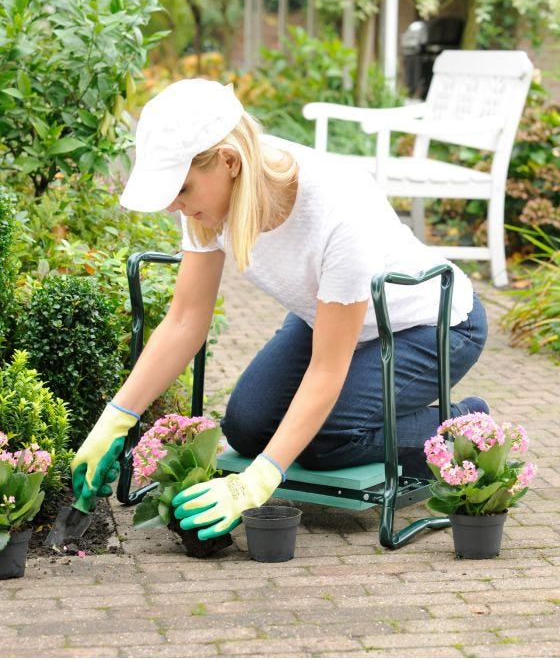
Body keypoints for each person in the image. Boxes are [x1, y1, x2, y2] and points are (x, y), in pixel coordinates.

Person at [71, 78, 488, 542]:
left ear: (229, 161)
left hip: (428, 324)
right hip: (330, 318)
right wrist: (116, 417)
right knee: (248, 428)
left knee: (327, 440)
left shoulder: (338, 208)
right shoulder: (205, 200)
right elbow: (186, 320)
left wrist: (260, 480)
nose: (175, 203)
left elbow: (328, 368)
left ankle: (465, 426)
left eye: (182, 188)